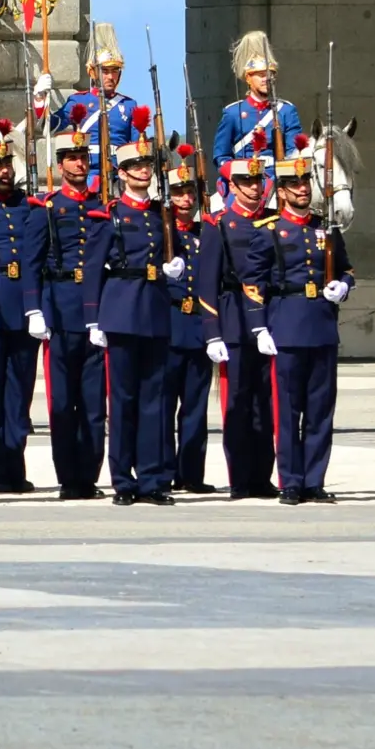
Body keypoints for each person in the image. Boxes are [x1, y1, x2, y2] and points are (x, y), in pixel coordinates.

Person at [85, 131, 176, 504]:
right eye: (135, 166)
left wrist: (175, 265)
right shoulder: (109, 216)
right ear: (122, 173)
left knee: (154, 400)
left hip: (154, 310)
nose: (143, 171)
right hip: (121, 311)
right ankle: (123, 479)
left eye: (146, 165)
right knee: (122, 400)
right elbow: (92, 269)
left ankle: (152, 479)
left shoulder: (160, 214)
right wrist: (94, 320)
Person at [264, 152, 353, 504]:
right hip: (286, 325)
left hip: (321, 326)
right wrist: (260, 328)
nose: (302, 189)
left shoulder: (325, 229)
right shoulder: (270, 231)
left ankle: (314, 479)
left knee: (320, 410)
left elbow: (346, 268)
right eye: (294, 185)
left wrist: (343, 286)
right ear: (282, 191)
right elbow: (255, 284)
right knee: (288, 411)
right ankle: (290, 480)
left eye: (305, 183)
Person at [198, 155, 280, 498]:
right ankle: (240, 477)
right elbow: (206, 283)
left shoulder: (273, 223)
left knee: (266, 403)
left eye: (257, 182)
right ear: (232, 187)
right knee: (237, 403)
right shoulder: (219, 224)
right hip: (233, 321)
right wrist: (212, 332)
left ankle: (263, 475)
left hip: (269, 320)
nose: (253, 188)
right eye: (246, 183)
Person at [0, 121, 48, 495]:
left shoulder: (30, 206)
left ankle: (14, 466)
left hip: (22, 309)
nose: (5, 171)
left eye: (8, 165)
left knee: (19, 395)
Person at [40, 124, 108, 500]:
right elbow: (35, 262)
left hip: (95, 311)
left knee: (94, 404)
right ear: (61, 164)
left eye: (84, 158)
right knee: (63, 403)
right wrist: (38, 310)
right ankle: (68, 477)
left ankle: (90, 474)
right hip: (62, 309)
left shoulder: (102, 205)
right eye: (72, 158)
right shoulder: (49, 207)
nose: (79, 164)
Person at [162, 146, 217, 494]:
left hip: (198, 329)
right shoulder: (161, 232)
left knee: (195, 409)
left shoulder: (207, 233)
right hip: (167, 328)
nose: (185, 199)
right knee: (164, 407)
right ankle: (163, 470)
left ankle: (191, 474)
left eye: (190, 192)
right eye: (179, 193)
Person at [210, 32, 301, 204]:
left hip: (276, 176)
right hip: (242, 177)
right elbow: (221, 155)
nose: (266, 78)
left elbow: (293, 151)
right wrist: (236, 173)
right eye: (260, 74)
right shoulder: (233, 113)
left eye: (270, 74)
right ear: (248, 78)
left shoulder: (286, 111)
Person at [35, 22, 143, 160]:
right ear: (93, 72)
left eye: (115, 71)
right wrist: (40, 97)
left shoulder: (129, 105)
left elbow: (136, 147)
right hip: (87, 170)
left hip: (119, 171)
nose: (111, 77)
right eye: (105, 71)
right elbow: (49, 126)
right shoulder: (79, 101)